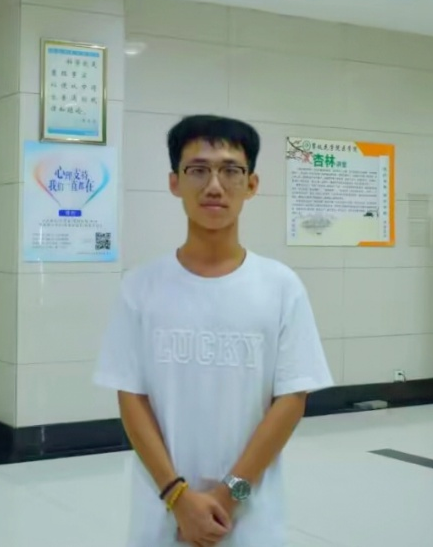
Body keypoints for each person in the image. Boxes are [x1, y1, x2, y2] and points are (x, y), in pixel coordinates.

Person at [93, 114, 334, 546]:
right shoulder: (140, 287)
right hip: (161, 516)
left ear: (252, 184)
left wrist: (229, 494)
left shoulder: (281, 287)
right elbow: (131, 398)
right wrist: (178, 497)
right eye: (198, 170)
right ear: (174, 182)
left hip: (250, 519)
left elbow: (291, 401)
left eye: (230, 170)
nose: (215, 186)